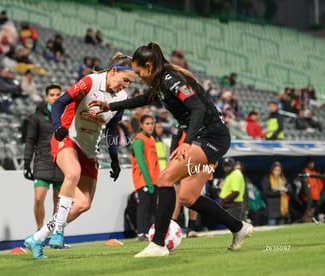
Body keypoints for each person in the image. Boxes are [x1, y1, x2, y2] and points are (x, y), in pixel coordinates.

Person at [89, 42, 253, 257]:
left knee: (164, 179)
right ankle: (239, 228)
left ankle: (158, 244)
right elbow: (142, 99)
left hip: (211, 137)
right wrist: (109, 106)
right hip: (205, 138)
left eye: (139, 72)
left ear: (148, 66)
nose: (138, 77)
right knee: (187, 196)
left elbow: (198, 108)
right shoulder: (160, 83)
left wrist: (187, 142)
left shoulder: (169, 79)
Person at [23, 52, 136, 259]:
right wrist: (57, 127)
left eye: (130, 83)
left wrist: (114, 158)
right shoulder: (90, 82)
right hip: (67, 137)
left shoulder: (123, 98)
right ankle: (58, 232)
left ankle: (38, 238)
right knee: (72, 173)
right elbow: (58, 103)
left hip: (89, 149)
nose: (126, 85)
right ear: (113, 71)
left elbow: (111, 128)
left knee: (83, 203)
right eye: (125, 80)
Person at [23, 83, 64, 230]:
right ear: (47, 97)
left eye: (58, 94)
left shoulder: (67, 115)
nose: (55, 97)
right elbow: (30, 140)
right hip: (42, 162)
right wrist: (27, 162)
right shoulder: (36, 117)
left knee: (59, 202)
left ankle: (54, 232)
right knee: (39, 198)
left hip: (61, 162)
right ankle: (40, 230)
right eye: (52, 95)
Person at [131, 114, 160, 241]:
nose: (150, 126)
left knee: (152, 207)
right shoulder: (138, 141)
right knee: (144, 206)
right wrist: (148, 182)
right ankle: (141, 233)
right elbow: (141, 163)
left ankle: (150, 232)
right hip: (143, 180)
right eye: (147, 124)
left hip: (154, 180)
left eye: (152, 123)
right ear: (141, 125)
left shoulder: (152, 139)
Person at [261, 161, 289, 226]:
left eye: (279, 170)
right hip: (272, 209)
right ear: (272, 170)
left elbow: (289, 190)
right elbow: (265, 192)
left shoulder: (283, 179)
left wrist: (287, 189)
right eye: (275, 170)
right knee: (271, 227)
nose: (277, 172)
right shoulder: (267, 179)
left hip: (282, 209)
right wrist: (278, 193)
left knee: (281, 230)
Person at [299, 157, 324, 222]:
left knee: (316, 215)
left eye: (312, 163)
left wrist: (319, 196)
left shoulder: (315, 173)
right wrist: (309, 198)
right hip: (308, 198)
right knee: (309, 215)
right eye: (310, 163)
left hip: (316, 197)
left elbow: (320, 185)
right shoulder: (304, 173)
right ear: (306, 164)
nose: (312, 164)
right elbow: (305, 187)